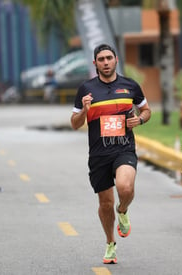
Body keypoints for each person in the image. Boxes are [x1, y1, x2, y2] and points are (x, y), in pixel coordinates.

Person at [71, 43, 151, 264]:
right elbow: (75, 124)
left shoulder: (130, 86)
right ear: (95, 63)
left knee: (125, 187)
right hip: (98, 154)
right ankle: (110, 244)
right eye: (101, 59)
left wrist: (140, 119)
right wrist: (85, 110)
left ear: (116, 59)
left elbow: (146, 109)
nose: (105, 62)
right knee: (105, 204)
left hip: (124, 148)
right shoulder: (85, 89)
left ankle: (123, 210)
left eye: (109, 58)